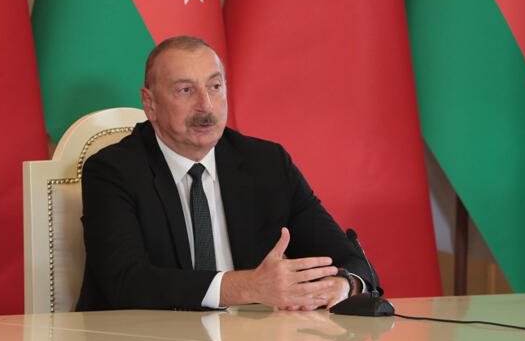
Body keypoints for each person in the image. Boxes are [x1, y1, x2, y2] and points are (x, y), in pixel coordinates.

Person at [76, 36, 382, 311]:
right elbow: (126, 282)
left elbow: (351, 261)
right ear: (150, 103)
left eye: (215, 87)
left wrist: (344, 285)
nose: (206, 106)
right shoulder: (113, 171)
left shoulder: (267, 164)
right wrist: (247, 287)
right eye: (185, 90)